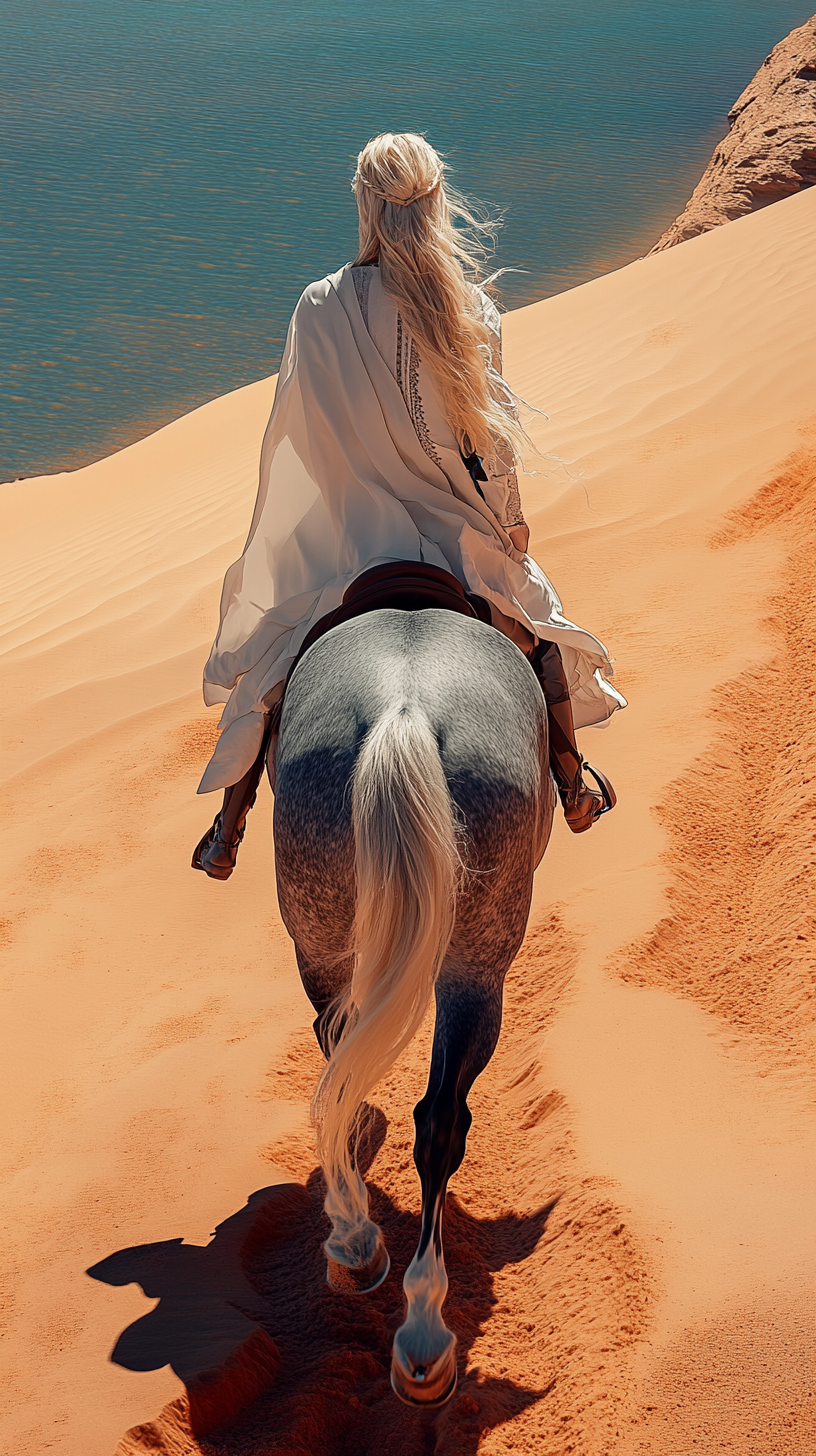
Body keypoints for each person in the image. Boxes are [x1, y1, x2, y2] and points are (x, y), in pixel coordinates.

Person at [193, 133, 625, 881]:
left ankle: (228, 825)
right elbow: (490, 448)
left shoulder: (319, 306)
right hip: (456, 540)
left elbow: (299, 438)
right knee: (538, 634)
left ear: (364, 205)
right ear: (436, 203)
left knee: (274, 666)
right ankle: (571, 781)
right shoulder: (473, 311)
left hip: (354, 543)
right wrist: (510, 523)